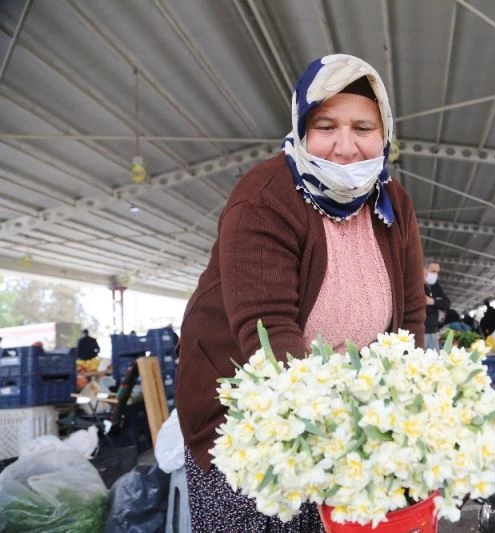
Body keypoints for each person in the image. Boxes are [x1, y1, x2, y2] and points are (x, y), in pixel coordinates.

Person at [175, 54, 426, 532]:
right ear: (301, 128)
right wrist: (336, 435)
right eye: (326, 125)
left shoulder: (394, 201)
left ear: (385, 132)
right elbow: (267, 331)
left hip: (349, 414)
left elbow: (411, 314)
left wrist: (398, 413)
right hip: (254, 414)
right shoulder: (264, 197)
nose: (346, 147)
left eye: (363, 127)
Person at [423, 259, 450, 350]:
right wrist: (437, 303)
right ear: (424, 269)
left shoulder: (435, 287)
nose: (435, 275)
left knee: (434, 360)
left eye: (437, 272)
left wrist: (432, 301)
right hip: (419, 331)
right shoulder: (416, 285)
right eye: (433, 271)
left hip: (433, 331)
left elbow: (447, 303)